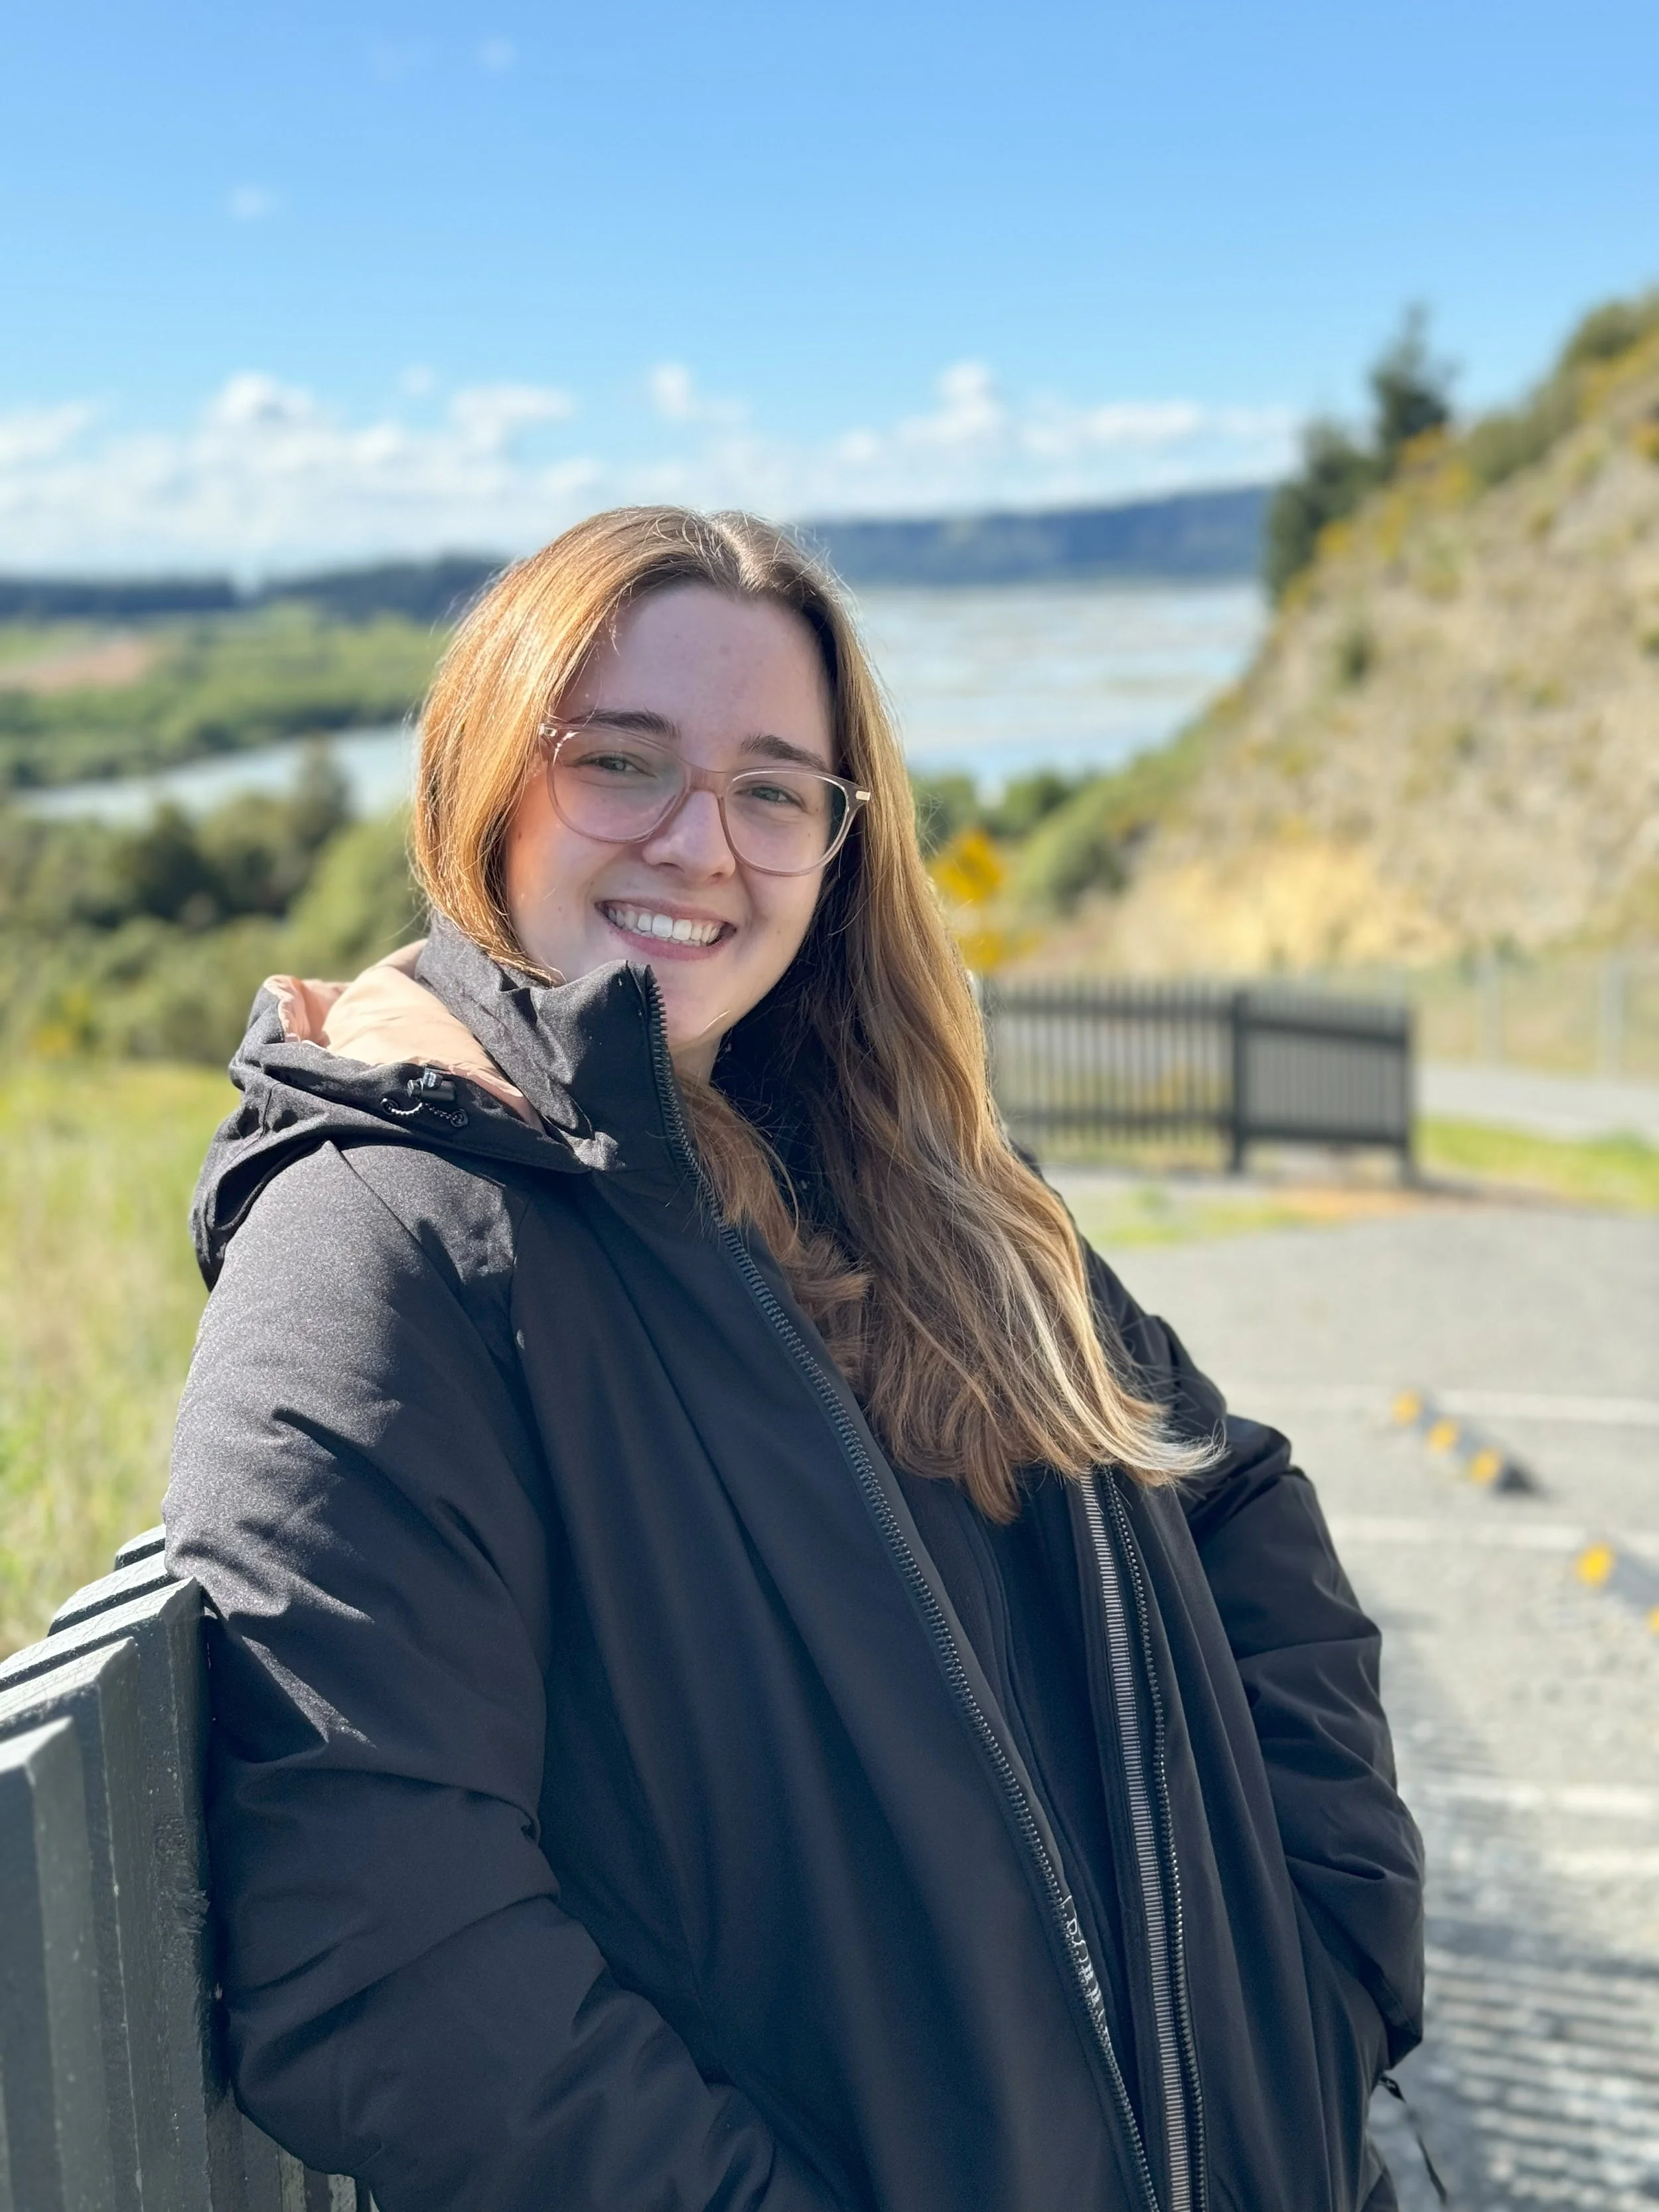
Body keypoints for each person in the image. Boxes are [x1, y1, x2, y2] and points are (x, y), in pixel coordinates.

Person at [165, 506, 1424, 2212]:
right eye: (620, 761)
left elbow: (1226, 1496)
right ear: (481, 782)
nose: (704, 844)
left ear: (839, 840)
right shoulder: (384, 1239)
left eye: (774, 789)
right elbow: (382, 1954)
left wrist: (1320, 1978)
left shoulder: (932, 1182)